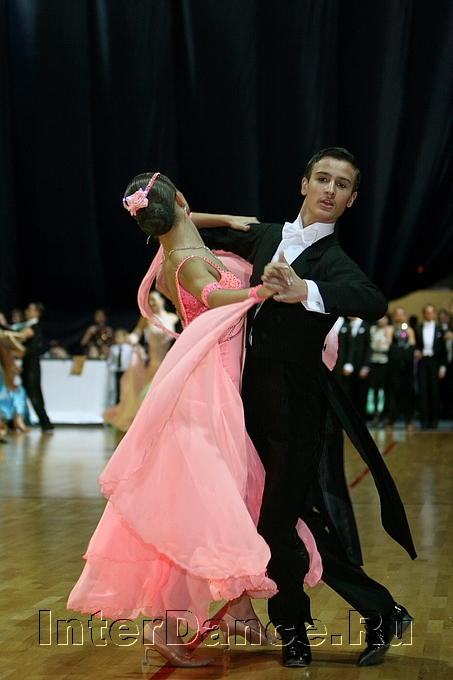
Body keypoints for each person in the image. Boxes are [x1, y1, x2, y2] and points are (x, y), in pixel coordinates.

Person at [67, 172, 322, 668]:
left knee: (229, 497)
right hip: (208, 390)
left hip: (215, 383)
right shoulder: (184, 263)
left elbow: (185, 221)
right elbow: (211, 296)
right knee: (207, 508)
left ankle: (239, 612)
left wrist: (224, 218)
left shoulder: (173, 245)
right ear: (181, 201)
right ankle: (166, 627)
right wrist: (257, 292)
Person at [199, 147, 416, 667]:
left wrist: (307, 290)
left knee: (276, 526)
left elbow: (373, 301)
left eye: (342, 185)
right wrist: (215, 216)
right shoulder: (267, 236)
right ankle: (381, 612)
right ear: (304, 184)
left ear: (351, 200)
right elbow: (192, 229)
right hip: (251, 405)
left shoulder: (333, 261)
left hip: (299, 411)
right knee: (293, 522)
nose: (329, 190)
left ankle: (294, 630)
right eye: (322, 179)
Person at [102, 292, 179, 432]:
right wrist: (130, 339)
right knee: (150, 395)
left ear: (162, 300)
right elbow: (136, 334)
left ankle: (164, 425)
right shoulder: (147, 318)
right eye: (149, 300)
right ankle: (150, 426)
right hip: (154, 364)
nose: (152, 303)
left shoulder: (173, 318)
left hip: (169, 363)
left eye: (154, 300)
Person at [21, 302, 54, 433]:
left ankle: (46, 423)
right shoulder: (27, 326)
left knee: (35, 396)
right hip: (27, 368)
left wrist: (19, 351)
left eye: (30, 310)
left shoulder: (35, 328)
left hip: (31, 369)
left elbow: (31, 349)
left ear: (37, 313)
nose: (26, 311)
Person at [383, 307, 416, 431]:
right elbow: (389, 344)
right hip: (393, 367)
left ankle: (408, 419)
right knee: (392, 392)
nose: (400, 317)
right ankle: (390, 420)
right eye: (397, 315)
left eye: (402, 315)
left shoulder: (409, 330)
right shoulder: (390, 329)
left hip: (406, 367)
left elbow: (412, 344)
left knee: (407, 392)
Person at [414, 304, 447, 429]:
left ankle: (434, 420)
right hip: (423, 362)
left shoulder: (439, 330)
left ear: (434, 314)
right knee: (423, 391)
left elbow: (443, 350)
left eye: (431, 312)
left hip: (435, 362)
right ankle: (424, 420)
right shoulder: (418, 328)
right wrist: (416, 352)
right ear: (423, 314)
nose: (429, 314)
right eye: (427, 312)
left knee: (434, 392)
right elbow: (415, 345)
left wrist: (442, 367)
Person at [368, 314, 391, 425]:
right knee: (374, 390)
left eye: (383, 318)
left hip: (385, 363)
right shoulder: (373, 329)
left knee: (385, 390)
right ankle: (375, 414)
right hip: (374, 362)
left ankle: (386, 415)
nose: (381, 320)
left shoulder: (389, 330)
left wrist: (379, 346)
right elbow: (371, 345)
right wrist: (379, 345)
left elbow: (387, 347)